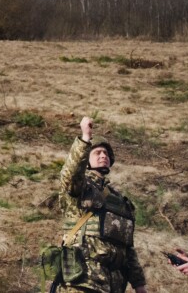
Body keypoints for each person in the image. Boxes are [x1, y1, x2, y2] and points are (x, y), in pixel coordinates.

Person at [52, 115, 147, 293]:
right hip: (83, 280)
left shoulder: (121, 201)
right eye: (97, 153)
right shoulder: (81, 188)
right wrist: (85, 138)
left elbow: (128, 250)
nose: (103, 156)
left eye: (106, 154)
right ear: (86, 161)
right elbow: (70, 175)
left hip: (113, 284)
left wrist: (139, 285)